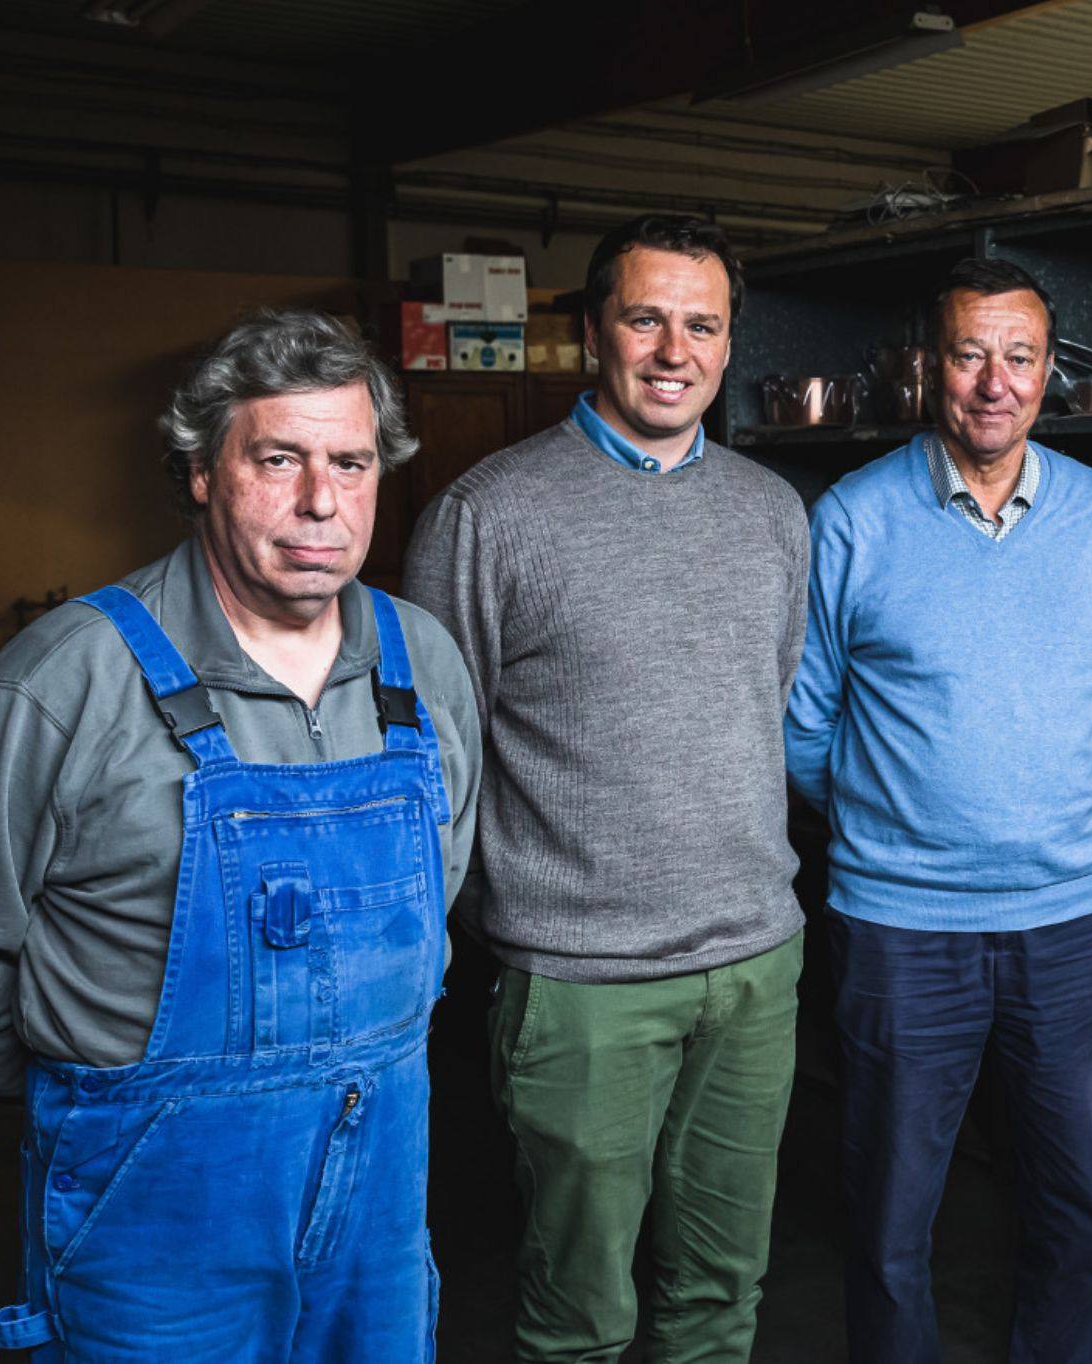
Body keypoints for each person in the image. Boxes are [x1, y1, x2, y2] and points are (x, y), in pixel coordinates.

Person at [0, 308, 482, 1360]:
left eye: (350, 462)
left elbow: (445, 868)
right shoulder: (71, 675)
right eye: (277, 460)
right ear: (200, 471)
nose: (321, 500)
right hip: (157, 1206)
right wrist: (99, 1091)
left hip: (380, 1191)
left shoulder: (419, 657)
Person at [404, 215, 811, 1364]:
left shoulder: (771, 509)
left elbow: (765, 694)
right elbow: (432, 751)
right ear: (592, 334)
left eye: (702, 325)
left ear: (728, 344)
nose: (674, 350)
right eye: (645, 319)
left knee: (720, 1293)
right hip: (580, 982)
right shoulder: (488, 513)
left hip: (753, 965)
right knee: (578, 1316)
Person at [784, 257, 1092, 1364]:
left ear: (1049, 370)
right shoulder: (853, 517)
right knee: (891, 1208)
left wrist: (1036, 800)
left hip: (1072, 921)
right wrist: (901, 825)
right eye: (968, 354)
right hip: (901, 926)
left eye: (1019, 357)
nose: (995, 382)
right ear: (928, 366)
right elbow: (806, 722)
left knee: (1073, 1198)